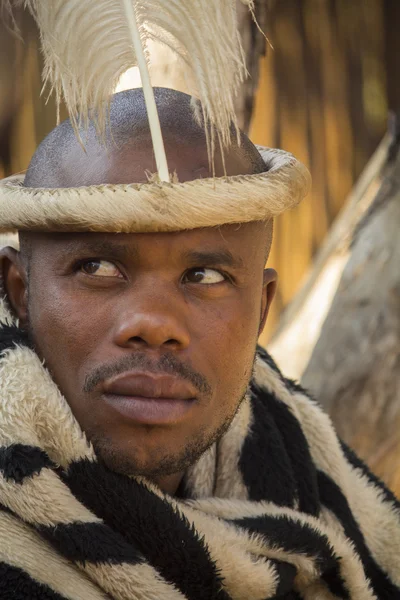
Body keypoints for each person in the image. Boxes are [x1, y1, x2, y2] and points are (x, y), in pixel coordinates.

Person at [0, 88, 399, 600]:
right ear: (20, 289)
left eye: (204, 274)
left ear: (260, 309)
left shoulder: (306, 477)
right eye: (97, 267)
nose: (154, 323)